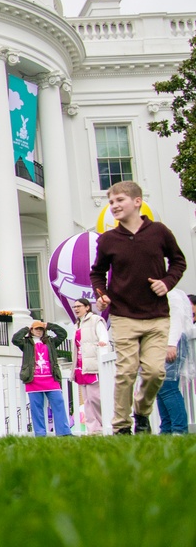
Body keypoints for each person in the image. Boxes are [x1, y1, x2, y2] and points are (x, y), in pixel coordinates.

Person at [89, 180, 187, 434]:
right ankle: (121, 426)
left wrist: (166, 283)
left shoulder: (159, 232)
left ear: (137, 201)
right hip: (123, 316)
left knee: (155, 373)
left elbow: (178, 261)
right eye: (111, 202)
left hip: (156, 316)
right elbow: (97, 272)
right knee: (126, 372)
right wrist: (102, 294)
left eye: (119, 200)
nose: (114, 205)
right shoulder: (108, 240)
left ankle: (141, 413)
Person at [13, 320, 71, 436]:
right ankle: (40, 434)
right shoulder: (26, 343)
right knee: (36, 409)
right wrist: (26, 328)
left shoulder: (50, 342)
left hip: (51, 379)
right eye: (36, 329)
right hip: (33, 380)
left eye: (41, 329)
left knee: (59, 403)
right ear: (32, 330)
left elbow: (63, 334)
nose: (39, 331)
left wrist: (49, 326)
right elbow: (15, 339)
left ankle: (64, 432)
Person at [156, 288, 193, 435]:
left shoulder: (172, 294)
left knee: (168, 386)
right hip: (161, 340)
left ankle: (179, 429)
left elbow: (176, 319)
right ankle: (166, 429)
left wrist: (171, 344)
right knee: (159, 388)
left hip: (172, 341)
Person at [72, 298, 108, 434]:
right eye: (74, 307)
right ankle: (94, 429)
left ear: (87, 307)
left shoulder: (95, 320)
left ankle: (106, 423)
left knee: (95, 397)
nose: (76, 309)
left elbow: (103, 337)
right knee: (86, 400)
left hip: (92, 364)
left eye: (79, 306)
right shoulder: (77, 325)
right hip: (81, 365)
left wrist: (103, 344)